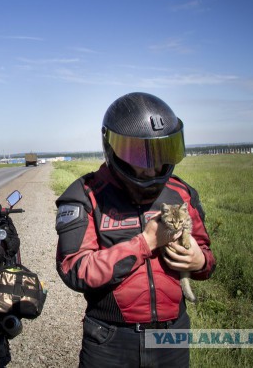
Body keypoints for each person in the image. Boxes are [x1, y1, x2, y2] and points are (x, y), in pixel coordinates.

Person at [55, 92, 216, 367]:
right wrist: (145, 243)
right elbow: (74, 268)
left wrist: (200, 261)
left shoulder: (182, 194)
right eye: (141, 155)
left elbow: (207, 256)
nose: (152, 166)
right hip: (110, 339)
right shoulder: (86, 195)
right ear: (113, 148)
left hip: (172, 337)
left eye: (161, 152)